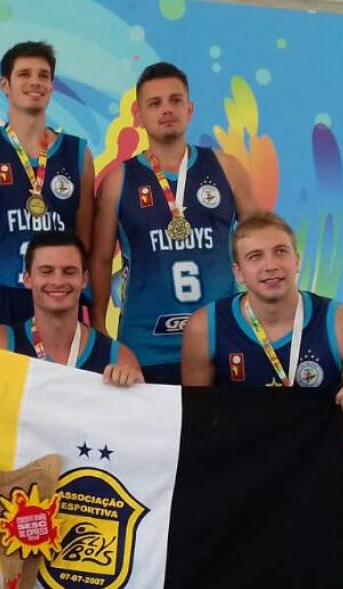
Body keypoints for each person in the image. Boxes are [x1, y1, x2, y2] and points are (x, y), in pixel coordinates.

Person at [181, 212, 343, 589]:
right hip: (243, 471)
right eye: (255, 257)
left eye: (280, 252)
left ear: (298, 260)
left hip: (316, 468)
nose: (270, 265)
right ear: (239, 273)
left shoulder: (342, 323)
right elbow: (194, 427)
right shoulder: (206, 327)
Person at [90, 61, 258, 384]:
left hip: (222, 342)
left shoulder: (226, 168)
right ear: (139, 115)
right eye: (155, 103)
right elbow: (98, 260)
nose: (166, 109)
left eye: (175, 100)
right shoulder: (118, 180)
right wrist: (98, 325)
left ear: (190, 108)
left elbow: (260, 241)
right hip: (146, 348)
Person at [0, 41, 95, 340]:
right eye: (25, 74)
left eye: (43, 75)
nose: (35, 82)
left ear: (52, 86)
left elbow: (84, 242)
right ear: (5, 84)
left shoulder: (78, 154)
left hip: (57, 295)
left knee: (57, 386)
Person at [0, 232, 142, 386]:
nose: (58, 281)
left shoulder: (119, 358)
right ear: (27, 279)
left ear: (84, 279)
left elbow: (140, 412)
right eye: (46, 271)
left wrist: (135, 389)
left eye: (69, 272)